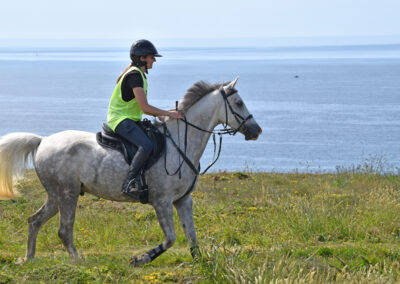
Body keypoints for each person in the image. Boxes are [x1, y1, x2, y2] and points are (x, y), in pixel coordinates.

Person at [107, 39, 182, 197]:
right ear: (142, 58)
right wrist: (168, 114)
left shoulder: (136, 72)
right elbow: (145, 108)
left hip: (129, 118)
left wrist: (163, 113)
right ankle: (130, 181)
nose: (154, 60)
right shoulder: (135, 76)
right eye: (151, 57)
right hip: (120, 119)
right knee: (146, 145)